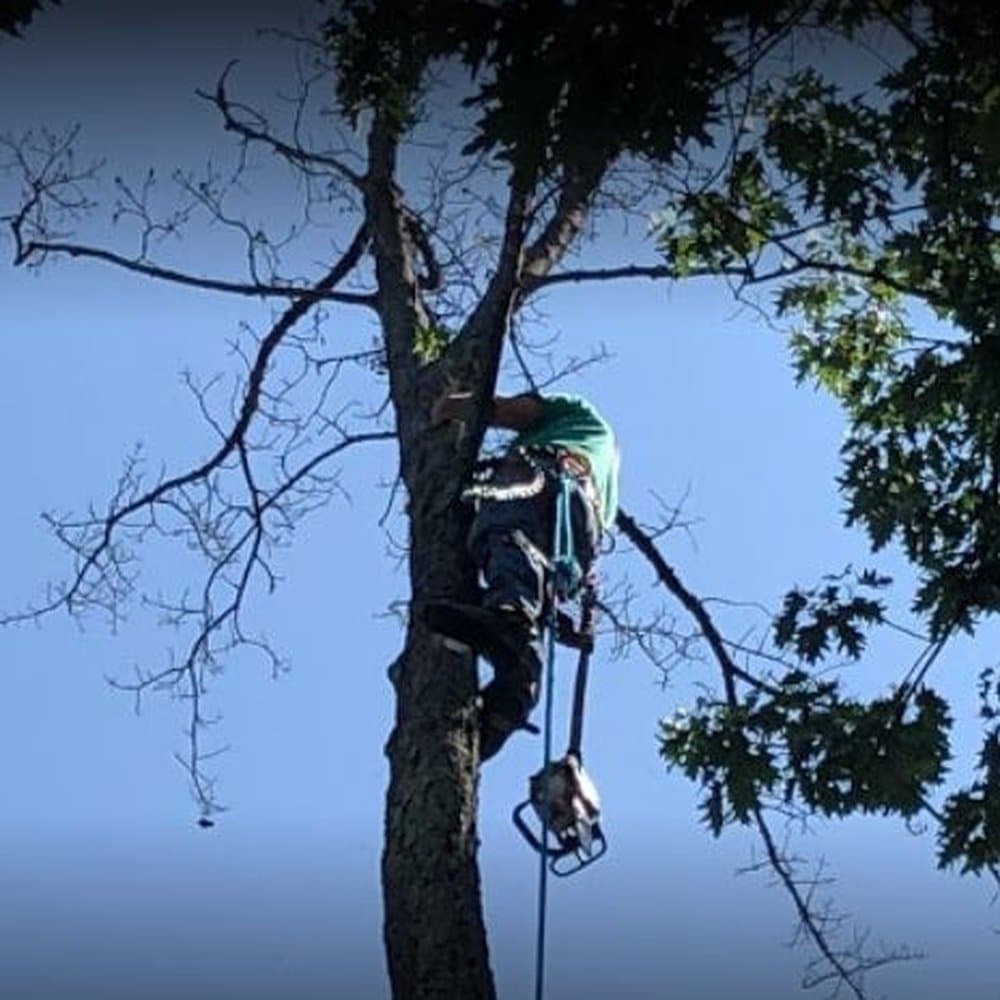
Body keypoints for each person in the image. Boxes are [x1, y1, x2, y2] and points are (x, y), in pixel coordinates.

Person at [425, 388, 619, 760]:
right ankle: (514, 689)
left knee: (506, 531)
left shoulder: (575, 412)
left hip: (547, 479)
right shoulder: (604, 473)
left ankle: (511, 626)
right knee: (526, 566)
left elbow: (507, 410)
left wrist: (449, 407)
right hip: (581, 527)